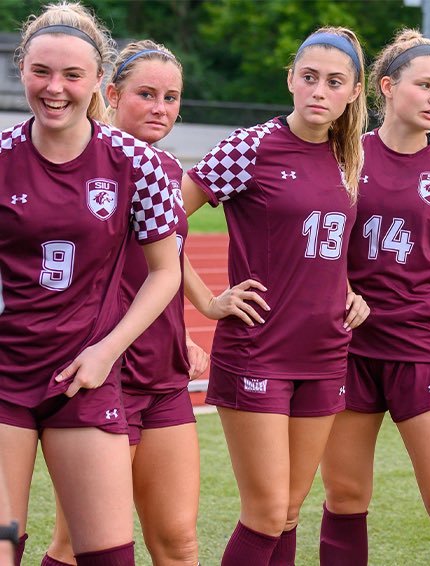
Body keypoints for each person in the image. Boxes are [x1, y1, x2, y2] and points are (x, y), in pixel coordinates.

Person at [0, 3, 182, 565]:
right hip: (3, 378)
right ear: (21, 71)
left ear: (98, 82)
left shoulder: (137, 164)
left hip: (83, 377)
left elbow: (165, 271)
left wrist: (106, 351)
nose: (55, 88)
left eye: (72, 75)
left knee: (106, 554)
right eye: (41, 72)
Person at [179, 27, 368, 566]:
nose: (318, 91)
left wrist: (351, 290)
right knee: (264, 514)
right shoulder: (249, 147)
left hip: (326, 352)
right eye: (308, 78)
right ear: (290, 79)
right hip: (258, 350)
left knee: (288, 511)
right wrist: (207, 301)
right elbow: (161, 224)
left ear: (353, 92)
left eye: (334, 82)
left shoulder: (350, 156)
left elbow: (326, 243)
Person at [318, 30, 430, 566]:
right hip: (347, 348)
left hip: (423, 348)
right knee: (345, 497)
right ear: (387, 88)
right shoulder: (344, 154)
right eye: (425, 85)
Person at [41, 39, 206, 566]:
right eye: (146, 94)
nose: (161, 108)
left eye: (172, 97)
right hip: (102, 373)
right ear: (110, 93)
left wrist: (203, 307)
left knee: (178, 542)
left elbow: (167, 255)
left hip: (163, 374)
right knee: (78, 547)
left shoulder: (160, 165)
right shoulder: (85, 162)